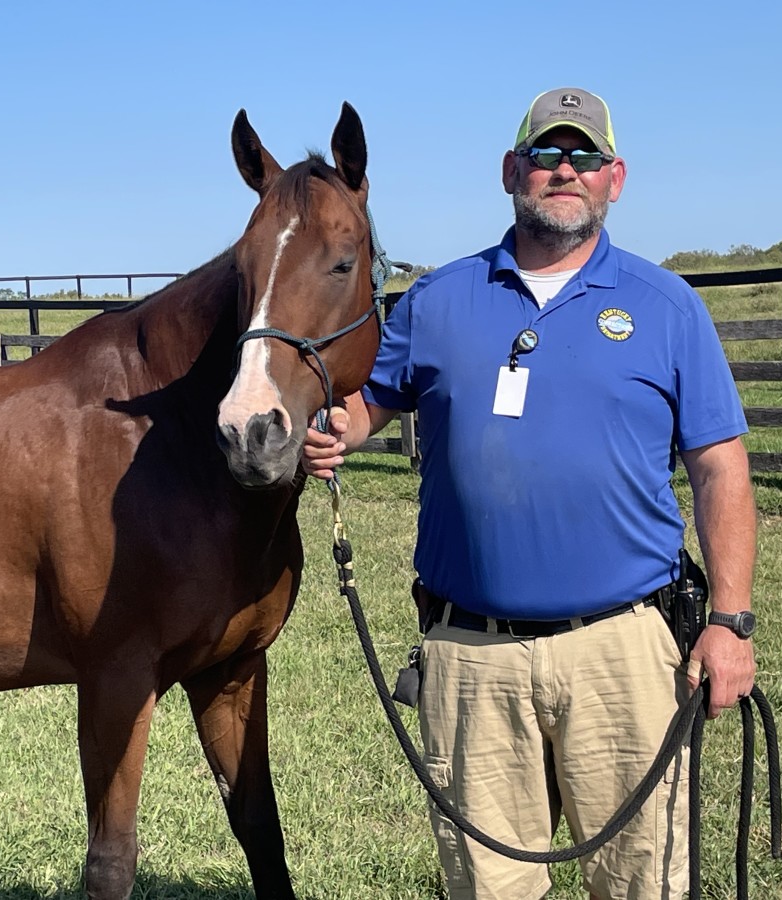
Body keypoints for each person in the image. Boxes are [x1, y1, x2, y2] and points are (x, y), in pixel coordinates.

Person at [303, 87, 757, 899]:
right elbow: (369, 401)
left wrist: (729, 623)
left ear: (615, 178)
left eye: (584, 156)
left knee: (644, 882)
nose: (564, 170)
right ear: (512, 171)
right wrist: (333, 428)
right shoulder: (437, 301)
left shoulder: (666, 307)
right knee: (486, 887)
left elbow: (720, 466)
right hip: (470, 654)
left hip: (622, 651)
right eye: (546, 154)